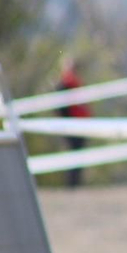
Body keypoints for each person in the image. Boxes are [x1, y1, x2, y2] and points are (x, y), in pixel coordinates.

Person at [56, 56, 91, 189]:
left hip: (81, 124)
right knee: (72, 154)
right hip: (71, 125)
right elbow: (60, 108)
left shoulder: (77, 83)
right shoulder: (64, 84)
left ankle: (76, 183)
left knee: (78, 154)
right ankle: (71, 184)